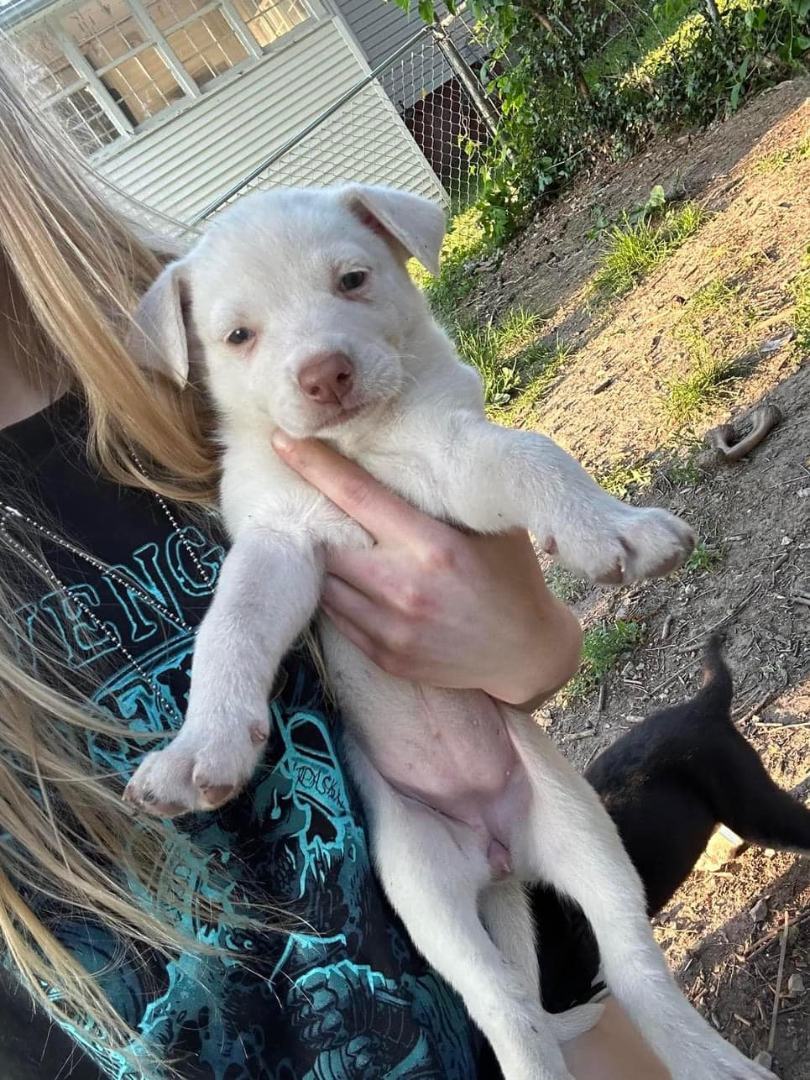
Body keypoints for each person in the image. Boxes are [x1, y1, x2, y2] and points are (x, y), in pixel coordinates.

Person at [0, 56, 674, 1080]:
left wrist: (527, 633)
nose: (308, 352)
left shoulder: (194, 335)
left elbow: (483, 568)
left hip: (543, 1012)